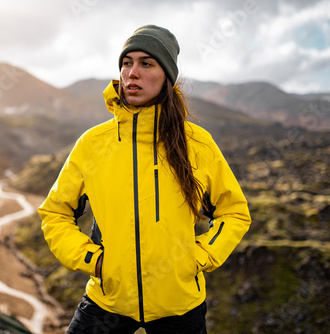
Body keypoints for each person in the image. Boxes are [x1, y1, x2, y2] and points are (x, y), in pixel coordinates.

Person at [38, 25, 252, 334]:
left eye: (146, 63)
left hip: (179, 307)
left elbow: (234, 212)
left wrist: (197, 257)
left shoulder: (198, 143)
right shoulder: (93, 144)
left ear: (167, 75)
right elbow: (54, 213)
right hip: (108, 303)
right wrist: (94, 261)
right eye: (127, 63)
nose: (132, 73)